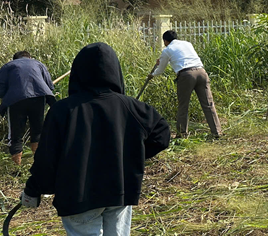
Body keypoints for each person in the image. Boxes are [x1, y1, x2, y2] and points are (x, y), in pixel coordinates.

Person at [20, 42, 170, 235]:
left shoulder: (62, 111)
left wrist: (33, 190)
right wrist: (130, 154)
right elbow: (162, 135)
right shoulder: (131, 107)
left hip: (77, 197)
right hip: (119, 192)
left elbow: (47, 159)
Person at [150, 30, 222, 138]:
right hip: (201, 72)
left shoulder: (167, 50)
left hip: (186, 75)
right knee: (208, 104)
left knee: (183, 106)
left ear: (165, 41)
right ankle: (217, 132)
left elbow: (161, 69)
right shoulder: (187, 44)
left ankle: (182, 134)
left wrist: (152, 75)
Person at [0, 51, 56, 165]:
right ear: (29, 57)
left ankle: (17, 167)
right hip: (38, 98)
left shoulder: (8, 66)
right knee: (37, 132)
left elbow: (1, 90)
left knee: (15, 135)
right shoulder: (38, 64)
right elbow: (50, 86)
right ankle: (39, 163)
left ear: (14, 59)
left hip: (16, 101)